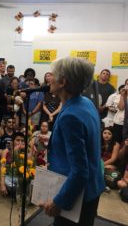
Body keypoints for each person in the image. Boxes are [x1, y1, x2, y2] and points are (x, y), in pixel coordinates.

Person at [40, 57, 105, 226]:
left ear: (63, 82)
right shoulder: (86, 103)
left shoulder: (70, 116)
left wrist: (59, 202)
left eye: (53, 75)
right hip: (92, 189)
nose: (49, 79)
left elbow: (80, 171)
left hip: (77, 195)